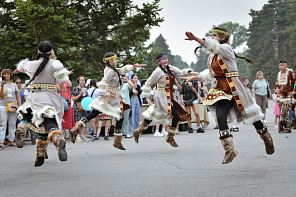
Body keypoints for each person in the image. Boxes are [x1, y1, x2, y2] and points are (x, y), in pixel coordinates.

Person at [184, 27, 274, 164]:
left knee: (253, 117)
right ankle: (230, 150)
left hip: (235, 87)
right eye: (211, 35)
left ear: (222, 38)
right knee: (220, 116)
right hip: (222, 89)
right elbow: (211, 74)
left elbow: (211, 45)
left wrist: (196, 39)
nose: (212, 37)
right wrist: (195, 78)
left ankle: (267, 138)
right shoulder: (212, 56)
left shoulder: (226, 48)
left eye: (214, 35)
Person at [70, 52, 145, 150]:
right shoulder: (110, 71)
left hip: (112, 96)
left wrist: (133, 66)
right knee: (119, 116)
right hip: (111, 97)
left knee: (96, 113)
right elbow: (103, 82)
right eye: (115, 59)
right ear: (110, 60)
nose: (117, 60)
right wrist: (103, 97)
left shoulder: (112, 69)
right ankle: (117, 141)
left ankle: (76, 128)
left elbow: (121, 70)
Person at [13, 40, 68, 166]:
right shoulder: (55, 63)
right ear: (51, 52)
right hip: (49, 97)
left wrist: (16, 71)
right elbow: (61, 78)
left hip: (34, 97)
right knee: (49, 120)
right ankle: (57, 140)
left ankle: (21, 131)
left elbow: (20, 68)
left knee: (29, 116)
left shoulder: (30, 64)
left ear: (38, 52)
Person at [133, 53, 192, 147]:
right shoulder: (158, 71)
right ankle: (170, 137)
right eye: (163, 59)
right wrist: (147, 97)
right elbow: (148, 83)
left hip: (168, 95)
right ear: (159, 62)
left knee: (154, 114)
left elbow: (180, 72)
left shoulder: (170, 68)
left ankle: (138, 130)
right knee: (175, 116)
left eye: (166, 59)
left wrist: (190, 72)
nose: (165, 60)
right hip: (160, 95)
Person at [0, 69, 21, 149]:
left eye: (8, 74)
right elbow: (1, 96)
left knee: (12, 124)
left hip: (13, 105)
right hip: (3, 105)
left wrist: (19, 105)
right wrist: (1, 86)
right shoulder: (1, 84)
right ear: (3, 75)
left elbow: (18, 96)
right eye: (5, 74)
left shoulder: (14, 85)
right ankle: (1, 141)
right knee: (3, 124)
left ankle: (11, 140)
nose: (7, 75)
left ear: (10, 75)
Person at [274, 59, 296, 133]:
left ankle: (281, 125)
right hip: (280, 96)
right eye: (280, 65)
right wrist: (276, 89)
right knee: (284, 113)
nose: (281, 67)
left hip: (288, 95)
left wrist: (294, 91)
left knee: (284, 110)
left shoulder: (290, 73)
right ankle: (287, 128)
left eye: (282, 65)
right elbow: (277, 84)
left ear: (286, 65)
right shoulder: (279, 74)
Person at [71, 75, 89, 142]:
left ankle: (82, 135)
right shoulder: (76, 88)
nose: (82, 81)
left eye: (83, 80)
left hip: (84, 107)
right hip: (77, 106)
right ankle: (77, 135)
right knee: (78, 121)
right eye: (81, 80)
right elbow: (73, 98)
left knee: (83, 121)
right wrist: (80, 94)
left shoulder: (86, 89)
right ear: (78, 81)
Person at [59, 70, 75, 136]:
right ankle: (60, 133)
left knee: (69, 116)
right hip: (60, 99)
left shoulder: (67, 80)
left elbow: (69, 85)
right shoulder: (58, 80)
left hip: (67, 100)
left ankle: (71, 134)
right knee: (61, 116)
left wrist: (65, 76)